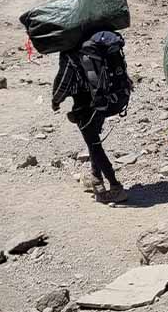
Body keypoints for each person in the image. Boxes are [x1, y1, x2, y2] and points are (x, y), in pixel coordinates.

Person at [52, 34, 128, 203]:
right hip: (104, 101)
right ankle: (96, 181)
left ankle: (115, 186)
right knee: (93, 141)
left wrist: (56, 101)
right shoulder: (97, 47)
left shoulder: (70, 54)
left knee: (93, 145)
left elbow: (63, 82)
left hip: (85, 106)